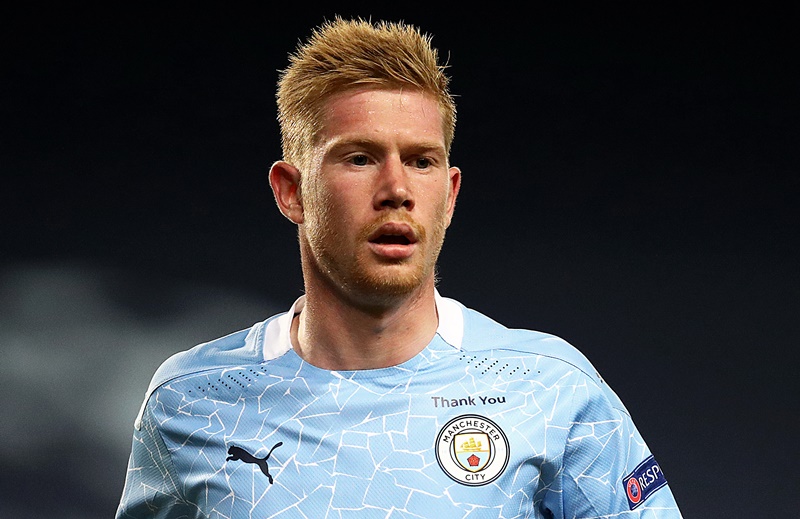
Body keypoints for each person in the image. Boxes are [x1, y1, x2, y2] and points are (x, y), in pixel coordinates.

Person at [116, 17, 682, 518]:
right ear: (291, 191)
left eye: (421, 161)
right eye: (360, 158)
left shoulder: (550, 387)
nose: (396, 189)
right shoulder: (190, 401)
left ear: (450, 194)